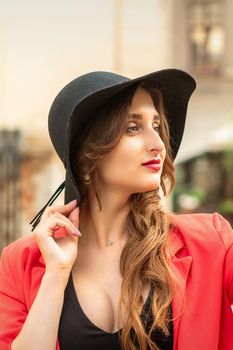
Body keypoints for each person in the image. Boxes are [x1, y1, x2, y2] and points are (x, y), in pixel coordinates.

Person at [0, 69, 232, 350]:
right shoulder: (19, 263)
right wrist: (56, 274)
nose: (158, 145)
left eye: (156, 126)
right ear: (86, 158)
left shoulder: (211, 241)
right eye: (133, 128)